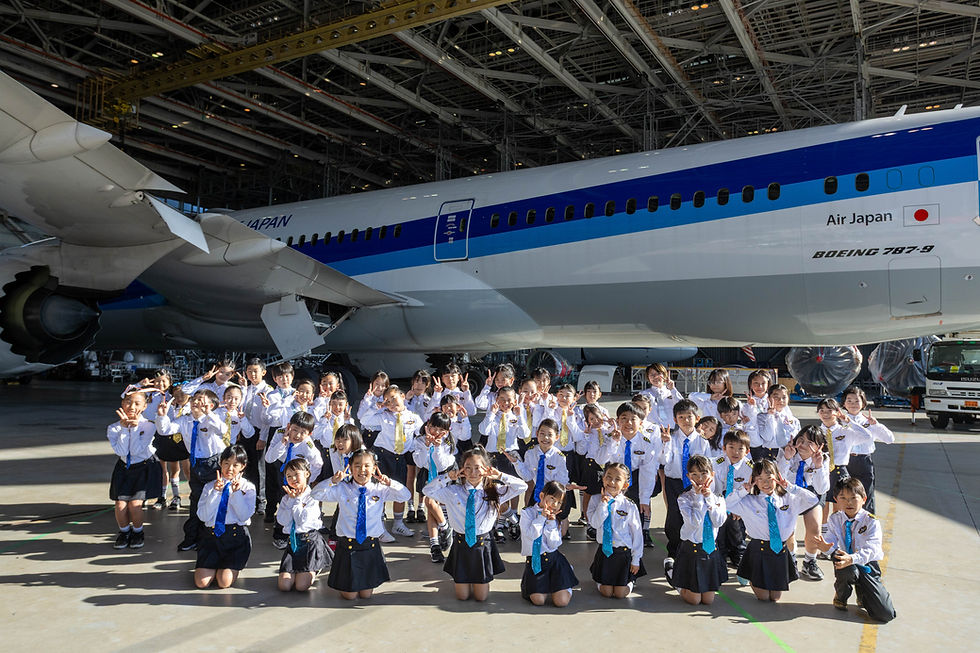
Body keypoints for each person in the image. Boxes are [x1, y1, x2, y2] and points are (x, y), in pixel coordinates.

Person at [422, 446, 528, 601]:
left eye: (478, 468)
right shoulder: (453, 491)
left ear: (485, 469)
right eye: (468, 468)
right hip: (461, 544)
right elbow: (427, 491)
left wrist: (499, 475)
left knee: (481, 598)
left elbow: (522, 486)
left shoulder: (494, 491)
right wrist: (447, 477)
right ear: (461, 470)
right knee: (462, 597)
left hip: (482, 545)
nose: (473, 473)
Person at [313, 448, 411, 600]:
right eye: (357, 465)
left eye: (367, 465)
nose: (362, 470)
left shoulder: (380, 489)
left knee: (366, 595)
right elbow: (316, 494)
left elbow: (405, 495)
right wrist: (332, 481)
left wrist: (390, 482)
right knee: (350, 596)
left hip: (369, 547)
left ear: (374, 468)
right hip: (347, 546)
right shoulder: (342, 489)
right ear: (350, 468)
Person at [725, 459, 819, 601]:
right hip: (758, 550)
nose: (765, 483)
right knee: (763, 597)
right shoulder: (749, 501)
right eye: (760, 479)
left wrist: (792, 487)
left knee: (775, 598)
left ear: (777, 477)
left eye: (769, 478)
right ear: (754, 480)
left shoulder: (789, 498)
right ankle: (749, 575)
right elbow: (727, 504)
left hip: (779, 550)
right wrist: (743, 490)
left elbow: (813, 500)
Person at [809, 478, 897, 623]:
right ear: (836, 499)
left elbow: (873, 549)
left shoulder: (871, 521)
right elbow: (831, 543)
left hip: (867, 565)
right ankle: (841, 596)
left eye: (853, 498)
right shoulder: (835, 519)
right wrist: (828, 549)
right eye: (843, 498)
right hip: (845, 562)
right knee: (845, 566)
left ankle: (862, 593)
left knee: (885, 614)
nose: (848, 502)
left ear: (863, 499)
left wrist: (853, 558)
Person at [156, 389, 229, 552]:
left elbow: (222, 430)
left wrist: (209, 413)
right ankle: (192, 538)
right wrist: (162, 416)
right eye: (194, 398)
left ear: (210, 405)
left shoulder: (212, 420)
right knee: (196, 500)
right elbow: (165, 430)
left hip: (214, 463)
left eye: (200, 400)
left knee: (214, 500)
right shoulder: (185, 420)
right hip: (196, 464)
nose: (195, 401)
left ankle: (211, 538)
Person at [593, 402, 662, 547]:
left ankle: (634, 553)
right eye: (624, 418)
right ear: (617, 420)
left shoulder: (645, 443)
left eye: (633, 419)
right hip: (613, 481)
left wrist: (644, 499)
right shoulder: (610, 437)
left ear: (641, 423)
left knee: (635, 518)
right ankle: (611, 546)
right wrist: (613, 442)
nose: (628, 423)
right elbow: (600, 459)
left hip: (636, 480)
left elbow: (648, 473)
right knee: (612, 515)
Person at [359, 384, 424, 538]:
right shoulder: (383, 416)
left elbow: (421, 435)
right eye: (387, 401)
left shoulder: (413, 418)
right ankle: (379, 526)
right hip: (383, 457)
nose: (391, 403)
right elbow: (365, 420)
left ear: (403, 396)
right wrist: (377, 407)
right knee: (380, 491)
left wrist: (417, 446)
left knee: (399, 490)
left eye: (393, 398)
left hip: (400, 457)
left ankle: (398, 524)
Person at [661, 398, 713, 583]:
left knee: (694, 515)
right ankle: (673, 551)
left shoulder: (702, 442)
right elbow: (664, 461)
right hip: (674, 482)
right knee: (674, 516)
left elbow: (707, 465)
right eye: (681, 417)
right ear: (675, 419)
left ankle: (690, 548)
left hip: (695, 484)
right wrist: (665, 444)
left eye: (689, 416)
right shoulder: (671, 438)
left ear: (696, 418)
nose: (685, 420)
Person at [195, 445, 256, 589]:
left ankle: (230, 568)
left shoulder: (248, 488)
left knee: (223, 582)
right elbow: (203, 516)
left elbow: (243, 516)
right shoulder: (210, 486)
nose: (230, 469)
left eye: (236, 465)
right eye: (226, 463)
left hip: (235, 538)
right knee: (201, 583)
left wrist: (236, 494)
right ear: (220, 463)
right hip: (211, 538)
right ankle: (214, 566)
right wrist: (216, 493)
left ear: (243, 466)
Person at [510, 419, 583, 537]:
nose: (545, 438)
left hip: (556, 494)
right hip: (539, 493)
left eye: (550, 435)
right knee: (536, 522)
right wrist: (516, 463)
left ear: (557, 437)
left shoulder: (559, 457)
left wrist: (566, 487)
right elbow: (527, 476)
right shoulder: (530, 453)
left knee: (559, 524)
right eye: (542, 434)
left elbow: (562, 480)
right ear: (537, 434)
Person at [777, 425, 831, 581]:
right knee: (789, 531)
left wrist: (819, 466)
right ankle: (791, 560)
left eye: (810, 443)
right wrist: (786, 458)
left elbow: (822, 489)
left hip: (810, 495)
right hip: (787, 494)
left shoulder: (823, 458)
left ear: (819, 445)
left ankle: (809, 561)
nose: (803, 445)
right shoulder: (786, 452)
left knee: (815, 527)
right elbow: (778, 479)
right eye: (801, 440)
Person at [107, 389, 160, 549]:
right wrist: (125, 429)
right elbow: (122, 452)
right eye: (128, 402)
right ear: (122, 404)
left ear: (144, 406)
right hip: (124, 468)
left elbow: (136, 450)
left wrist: (135, 429)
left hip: (143, 466)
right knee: (120, 505)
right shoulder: (114, 428)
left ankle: (138, 532)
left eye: (137, 403)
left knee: (135, 504)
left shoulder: (149, 426)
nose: (132, 406)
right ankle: (124, 532)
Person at [477, 386, 530, 540]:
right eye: (502, 399)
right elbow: (484, 430)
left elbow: (525, 434)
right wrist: (491, 414)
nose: (506, 403)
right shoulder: (492, 414)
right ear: (496, 399)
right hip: (492, 456)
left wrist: (520, 417)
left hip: (510, 456)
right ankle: (500, 523)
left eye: (509, 400)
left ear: (514, 400)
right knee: (493, 491)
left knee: (510, 489)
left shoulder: (516, 415)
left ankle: (508, 519)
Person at [674, 455, 728, 605]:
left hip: (710, 551)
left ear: (712, 474)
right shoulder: (684, 498)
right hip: (692, 550)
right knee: (694, 600)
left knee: (708, 600)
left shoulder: (718, 498)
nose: (700, 478)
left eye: (704, 473)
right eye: (694, 474)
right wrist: (698, 499)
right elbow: (695, 523)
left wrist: (709, 499)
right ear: (688, 476)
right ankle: (673, 575)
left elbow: (718, 521)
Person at [264, 411, 322, 549]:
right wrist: (282, 444)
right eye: (294, 430)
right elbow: (269, 458)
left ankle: (296, 531)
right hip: (282, 469)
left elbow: (318, 463)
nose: (297, 435)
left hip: (299, 475)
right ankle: (280, 534)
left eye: (303, 432)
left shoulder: (308, 444)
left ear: (309, 434)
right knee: (283, 501)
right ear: (289, 426)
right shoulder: (279, 433)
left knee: (296, 502)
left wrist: (307, 480)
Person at [588, 462, 646, 598]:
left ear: (625, 484)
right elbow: (595, 524)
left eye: (618, 479)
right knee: (606, 592)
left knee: (620, 594)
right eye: (608, 477)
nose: (612, 482)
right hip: (605, 553)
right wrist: (603, 504)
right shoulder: (595, 500)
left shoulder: (629, 505)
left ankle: (631, 580)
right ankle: (598, 577)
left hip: (623, 554)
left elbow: (636, 534)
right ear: (603, 478)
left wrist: (636, 559)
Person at [520, 481, 579, 606]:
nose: (554, 504)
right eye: (552, 499)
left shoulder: (555, 518)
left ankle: (565, 575)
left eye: (559, 502)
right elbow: (531, 535)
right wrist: (541, 518)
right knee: (538, 601)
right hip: (536, 561)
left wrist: (551, 523)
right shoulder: (527, 513)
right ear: (542, 496)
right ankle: (542, 585)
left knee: (561, 602)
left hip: (554, 561)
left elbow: (554, 544)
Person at [277, 458, 330, 592]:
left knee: (301, 587)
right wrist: (291, 501)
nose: (293, 479)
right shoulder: (286, 498)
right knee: (284, 586)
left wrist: (297, 500)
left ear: (307, 474)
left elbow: (301, 520)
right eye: (289, 476)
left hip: (310, 542)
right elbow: (282, 521)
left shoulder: (312, 496)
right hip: (293, 544)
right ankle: (298, 572)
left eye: (296, 474)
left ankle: (317, 566)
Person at [841, 386, 895, 515]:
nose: (853, 404)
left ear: (863, 403)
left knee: (866, 496)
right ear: (843, 403)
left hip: (864, 462)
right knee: (845, 497)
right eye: (849, 400)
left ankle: (867, 527)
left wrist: (876, 425)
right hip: (845, 462)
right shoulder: (839, 421)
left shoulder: (869, 422)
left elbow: (889, 439)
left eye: (857, 401)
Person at [411, 412, 457, 562]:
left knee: (435, 507)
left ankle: (437, 542)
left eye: (441, 430)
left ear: (447, 431)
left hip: (445, 476)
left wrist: (436, 447)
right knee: (430, 504)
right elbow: (419, 462)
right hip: (427, 475)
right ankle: (441, 535)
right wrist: (426, 446)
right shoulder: (419, 440)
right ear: (427, 426)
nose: (436, 432)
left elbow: (442, 465)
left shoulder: (448, 443)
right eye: (433, 428)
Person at [711, 428, 752, 572]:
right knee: (720, 528)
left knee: (736, 528)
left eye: (740, 449)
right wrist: (722, 507)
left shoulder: (750, 468)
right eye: (731, 447)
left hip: (739, 506)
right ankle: (720, 555)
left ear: (747, 451)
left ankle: (738, 553)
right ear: (724, 448)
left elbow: (751, 493)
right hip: (720, 503)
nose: (735, 452)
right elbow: (714, 491)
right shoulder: (715, 463)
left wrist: (738, 508)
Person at [241, 358, 270, 514]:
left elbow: (267, 419)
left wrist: (263, 438)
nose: (252, 374)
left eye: (255, 371)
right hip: (246, 432)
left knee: (260, 469)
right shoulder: (246, 389)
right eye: (249, 371)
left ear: (263, 372)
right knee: (247, 467)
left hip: (259, 433)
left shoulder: (268, 391)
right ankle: (249, 498)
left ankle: (261, 500)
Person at [753, 384, 799, 462]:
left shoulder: (793, 420)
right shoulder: (761, 417)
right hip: (766, 454)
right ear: (768, 399)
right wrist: (770, 416)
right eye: (776, 397)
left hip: (787, 453)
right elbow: (767, 436)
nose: (780, 400)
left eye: (784, 397)